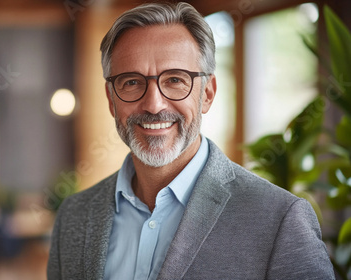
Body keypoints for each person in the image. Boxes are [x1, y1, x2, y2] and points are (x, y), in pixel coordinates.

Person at [47, 2, 335, 279]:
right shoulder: (74, 215)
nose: (154, 105)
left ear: (207, 94)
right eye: (132, 82)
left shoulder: (280, 219)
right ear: (111, 100)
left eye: (175, 79)